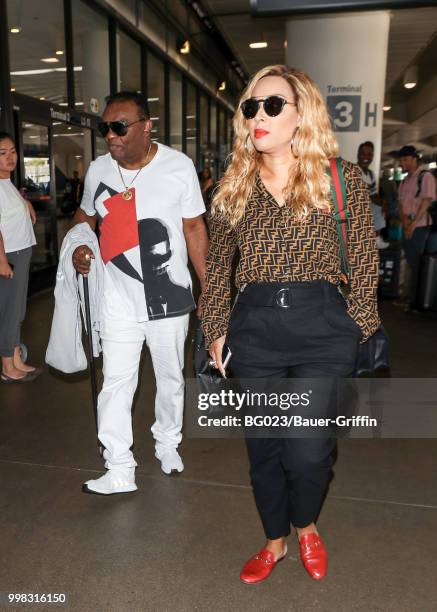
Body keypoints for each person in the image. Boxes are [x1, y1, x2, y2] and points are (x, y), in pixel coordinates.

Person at [202, 65, 379, 583]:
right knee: (265, 452)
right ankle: (275, 541)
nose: (259, 115)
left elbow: (364, 262)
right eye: (251, 107)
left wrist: (359, 330)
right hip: (254, 328)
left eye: (273, 105)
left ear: (303, 112)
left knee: (307, 452)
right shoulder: (234, 187)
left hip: (321, 326)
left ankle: (307, 526)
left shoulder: (340, 179)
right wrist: (216, 328)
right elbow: (218, 271)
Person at [71, 92, 208, 493]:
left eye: (119, 127)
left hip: (168, 296)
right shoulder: (98, 170)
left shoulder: (177, 167)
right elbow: (84, 218)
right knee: (116, 381)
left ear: (147, 126)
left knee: (170, 379)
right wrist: (79, 246)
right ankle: (119, 467)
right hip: (117, 297)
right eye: (105, 128)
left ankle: (167, 442)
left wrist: (209, 288)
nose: (110, 136)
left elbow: (195, 228)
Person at [0, 131, 42, 383]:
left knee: (18, 310)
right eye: (2, 153)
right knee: (9, 311)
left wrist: (25, 203)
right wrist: (2, 260)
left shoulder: (7, 181)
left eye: (13, 151)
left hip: (21, 251)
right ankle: (7, 366)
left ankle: (16, 358)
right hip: (10, 256)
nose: (10, 157)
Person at [397, 145, 437, 310]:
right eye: (401, 160)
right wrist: (405, 221)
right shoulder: (406, 179)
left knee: (417, 263)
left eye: (405, 160)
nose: (402, 163)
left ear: (415, 159)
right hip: (408, 224)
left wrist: (412, 225)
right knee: (411, 262)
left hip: (420, 226)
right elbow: (400, 203)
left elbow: (426, 202)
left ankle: (417, 301)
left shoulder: (425, 176)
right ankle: (413, 299)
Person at [357, 141, 389, 249]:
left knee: (379, 207)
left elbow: (374, 194)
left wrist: (383, 204)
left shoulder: (370, 174)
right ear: (358, 155)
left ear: (372, 156)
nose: (366, 157)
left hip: (365, 207)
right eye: (363, 154)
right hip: (353, 210)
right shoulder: (353, 171)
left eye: (369, 154)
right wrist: (382, 203)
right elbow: (369, 195)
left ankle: (376, 239)